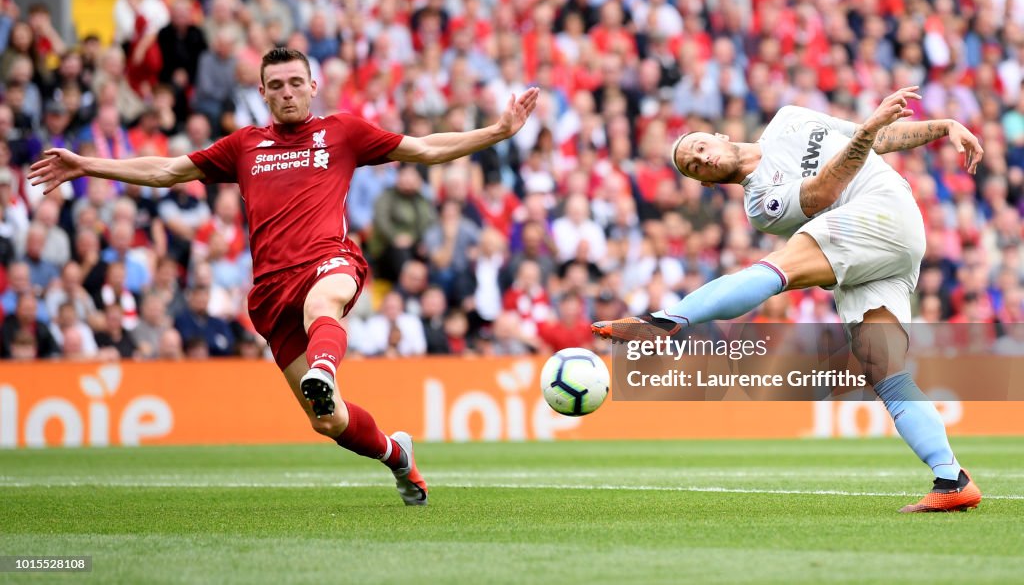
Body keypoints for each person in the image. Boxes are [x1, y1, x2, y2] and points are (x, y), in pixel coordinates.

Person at [30, 47, 538, 506]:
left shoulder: (342, 132)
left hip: (328, 260)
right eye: (276, 85)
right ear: (263, 93)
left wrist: (496, 132)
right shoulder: (243, 146)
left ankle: (325, 369)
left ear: (313, 86)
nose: (288, 92)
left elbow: (424, 148)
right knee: (330, 421)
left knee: (324, 305)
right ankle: (396, 456)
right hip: (272, 290)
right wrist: (88, 166)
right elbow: (166, 170)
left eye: (296, 82)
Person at [593, 88, 985, 513]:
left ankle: (667, 319)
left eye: (700, 146)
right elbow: (822, 193)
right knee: (884, 371)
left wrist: (944, 126)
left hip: (884, 208)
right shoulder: (762, 204)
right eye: (693, 165)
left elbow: (877, 139)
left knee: (779, 267)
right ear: (705, 182)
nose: (702, 158)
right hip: (875, 249)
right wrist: (871, 128)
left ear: (720, 135)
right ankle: (952, 478)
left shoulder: (788, 119)